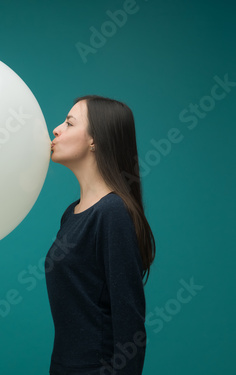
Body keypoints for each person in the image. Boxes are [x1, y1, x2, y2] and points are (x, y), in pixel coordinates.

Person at [45, 95, 155, 375]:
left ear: (95, 140)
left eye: (69, 123)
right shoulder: (72, 213)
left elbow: (130, 323)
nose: (56, 129)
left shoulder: (112, 212)